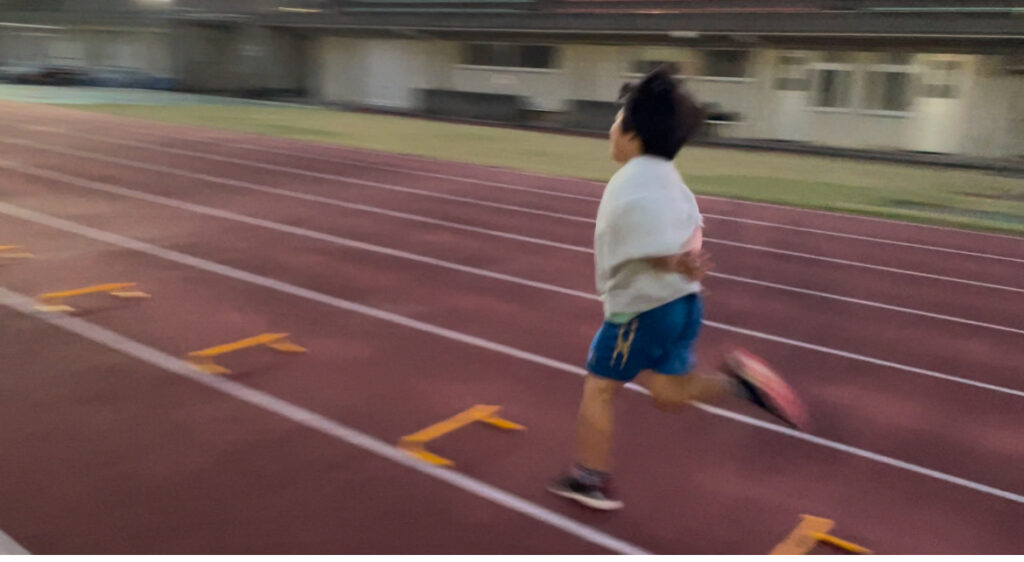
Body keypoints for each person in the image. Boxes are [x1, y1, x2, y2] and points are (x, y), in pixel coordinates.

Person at [547, 68, 809, 511]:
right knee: (670, 394)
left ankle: (589, 480)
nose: (610, 131)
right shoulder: (673, 181)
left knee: (599, 389)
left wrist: (671, 260)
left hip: (641, 312)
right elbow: (690, 236)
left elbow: (648, 240)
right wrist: (683, 263)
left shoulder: (629, 184)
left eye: (616, 122)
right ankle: (739, 386)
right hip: (683, 305)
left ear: (632, 136)